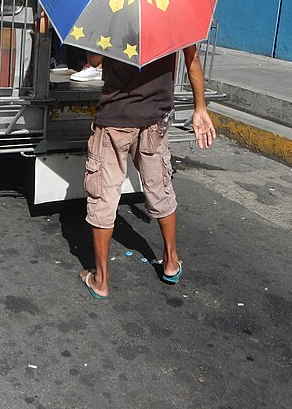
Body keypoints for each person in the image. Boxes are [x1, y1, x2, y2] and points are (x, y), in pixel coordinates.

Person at [78, 45, 216, 299]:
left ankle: (101, 280)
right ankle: (171, 262)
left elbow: (94, 62)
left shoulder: (110, 12)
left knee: (104, 197)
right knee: (160, 188)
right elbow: (192, 59)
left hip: (115, 119)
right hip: (155, 119)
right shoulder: (169, 11)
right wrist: (200, 108)